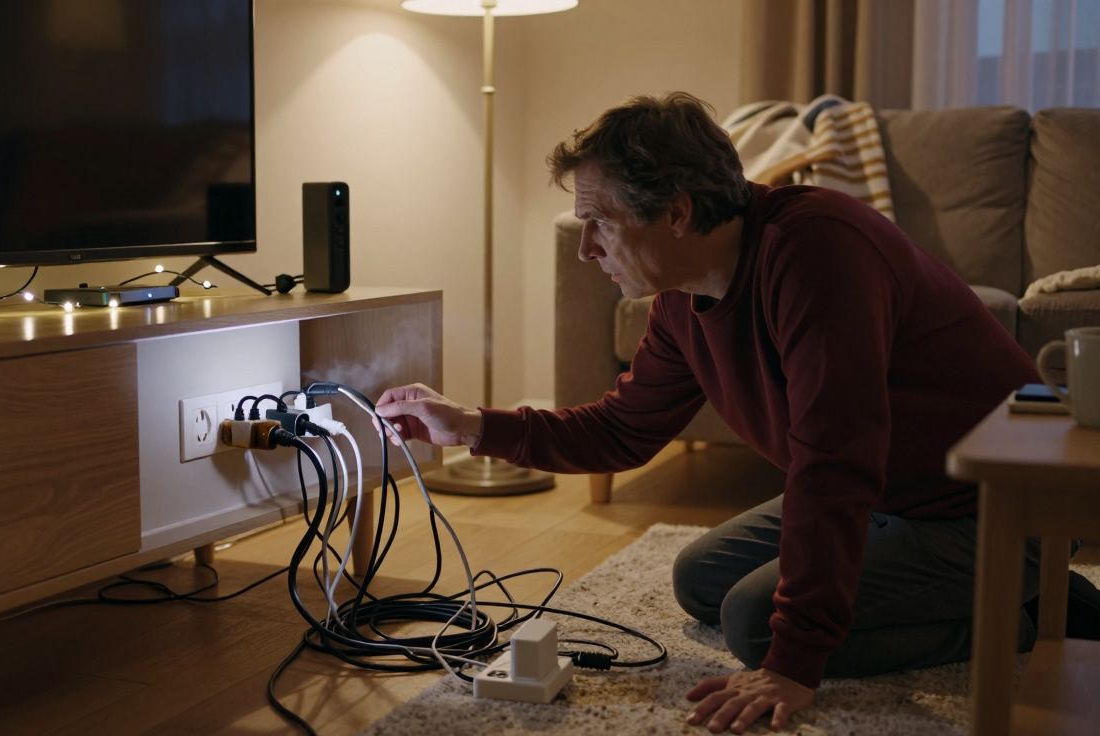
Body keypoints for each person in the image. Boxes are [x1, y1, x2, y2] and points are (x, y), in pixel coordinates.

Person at [374, 92, 1054, 734]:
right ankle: (988, 594)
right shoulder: (682, 297)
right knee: (701, 576)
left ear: (677, 212)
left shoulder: (816, 252)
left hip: (989, 508)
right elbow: (621, 429)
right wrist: (469, 426)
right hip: (892, 493)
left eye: (600, 221)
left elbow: (834, 463)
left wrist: (793, 665)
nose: (586, 248)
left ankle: (1022, 614)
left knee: (759, 624)